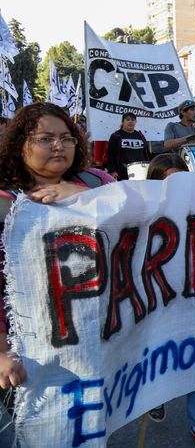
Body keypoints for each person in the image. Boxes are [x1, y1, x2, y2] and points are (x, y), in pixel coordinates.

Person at [0, 103, 114, 401]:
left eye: (66, 138)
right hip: (32, 350)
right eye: (45, 138)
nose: (58, 146)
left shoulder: (98, 182)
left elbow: (140, 215)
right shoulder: (5, 202)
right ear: (19, 145)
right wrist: (1, 350)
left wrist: (84, 196)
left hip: (101, 337)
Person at [145, 152, 195, 448]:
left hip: (193, 296)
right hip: (156, 297)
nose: (175, 186)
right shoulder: (141, 210)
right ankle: (154, 395)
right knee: (156, 351)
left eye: (181, 179)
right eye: (168, 181)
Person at [106, 112, 151, 180]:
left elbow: (147, 152)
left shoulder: (140, 135)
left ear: (135, 122)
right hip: (123, 171)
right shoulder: (116, 135)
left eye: (133, 120)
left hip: (141, 170)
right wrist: (112, 170)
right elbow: (110, 154)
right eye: (127, 119)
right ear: (123, 122)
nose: (130, 122)